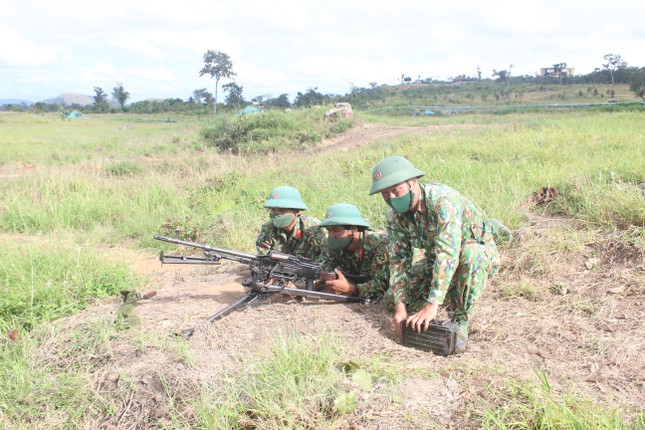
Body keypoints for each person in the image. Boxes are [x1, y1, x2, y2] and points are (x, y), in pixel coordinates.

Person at [368, 155, 501, 353]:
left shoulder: (442, 202)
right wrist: (400, 307)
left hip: (471, 251)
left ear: (412, 182)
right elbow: (398, 261)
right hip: (435, 259)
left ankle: (461, 318)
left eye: (396, 190)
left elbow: (447, 254)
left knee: (471, 255)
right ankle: (451, 288)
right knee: (390, 299)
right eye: (385, 194)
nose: (392, 198)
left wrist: (432, 304)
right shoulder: (394, 218)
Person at [318, 202, 389, 299]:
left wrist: (352, 289)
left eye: (335, 230)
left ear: (354, 229)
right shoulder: (335, 245)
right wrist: (299, 285)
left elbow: (383, 285)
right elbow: (320, 270)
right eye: (328, 230)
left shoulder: (378, 245)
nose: (331, 235)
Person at [256, 185, 327, 261]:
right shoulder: (268, 229)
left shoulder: (314, 229)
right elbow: (263, 257)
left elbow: (326, 258)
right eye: (273, 209)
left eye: (281, 210)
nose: (276, 214)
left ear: (296, 211)